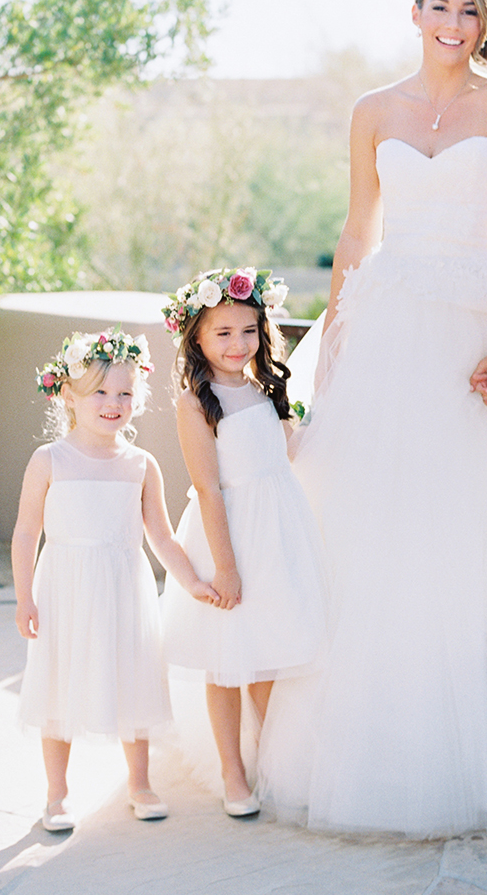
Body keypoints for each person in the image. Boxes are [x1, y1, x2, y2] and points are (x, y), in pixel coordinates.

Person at [257, 0, 487, 837]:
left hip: (474, 318)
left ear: (483, 24)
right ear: (417, 15)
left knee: (470, 512)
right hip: (387, 317)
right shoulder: (373, 111)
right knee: (374, 513)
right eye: (440, 7)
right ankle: (373, 736)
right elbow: (359, 227)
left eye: (469, 11)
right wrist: (335, 331)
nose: (454, 22)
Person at [12, 328, 218, 833]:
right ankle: (56, 794)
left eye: (125, 392)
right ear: (69, 396)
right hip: (64, 588)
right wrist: (24, 598)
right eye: (100, 392)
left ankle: (140, 783)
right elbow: (25, 532)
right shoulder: (49, 461)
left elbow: (163, 538)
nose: (113, 403)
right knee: (58, 683)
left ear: (138, 398)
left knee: (132, 679)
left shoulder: (139, 465)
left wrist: (191, 582)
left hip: (124, 587)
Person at [159, 268, 326, 818]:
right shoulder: (195, 403)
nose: (238, 344)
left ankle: (273, 763)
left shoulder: (264, 389)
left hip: (278, 532)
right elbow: (209, 488)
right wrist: (225, 570)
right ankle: (233, 771)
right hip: (228, 537)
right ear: (198, 338)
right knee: (227, 661)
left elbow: (286, 452)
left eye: (249, 331)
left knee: (268, 656)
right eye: (223, 333)